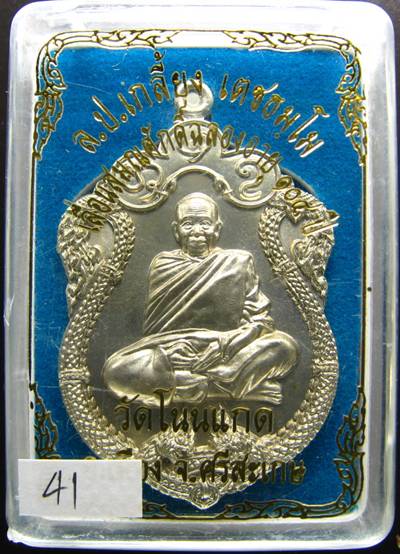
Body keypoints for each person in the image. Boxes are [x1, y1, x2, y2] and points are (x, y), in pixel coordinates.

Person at [103, 193, 298, 406]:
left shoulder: (238, 261)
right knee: (115, 370)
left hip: (225, 351)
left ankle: (191, 385)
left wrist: (225, 345)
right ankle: (225, 387)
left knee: (285, 347)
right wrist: (168, 354)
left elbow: (261, 322)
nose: (197, 231)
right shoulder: (163, 263)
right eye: (188, 224)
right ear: (176, 230)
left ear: (217, 228)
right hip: (170, 352)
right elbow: (154, 332)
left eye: (205, 223)